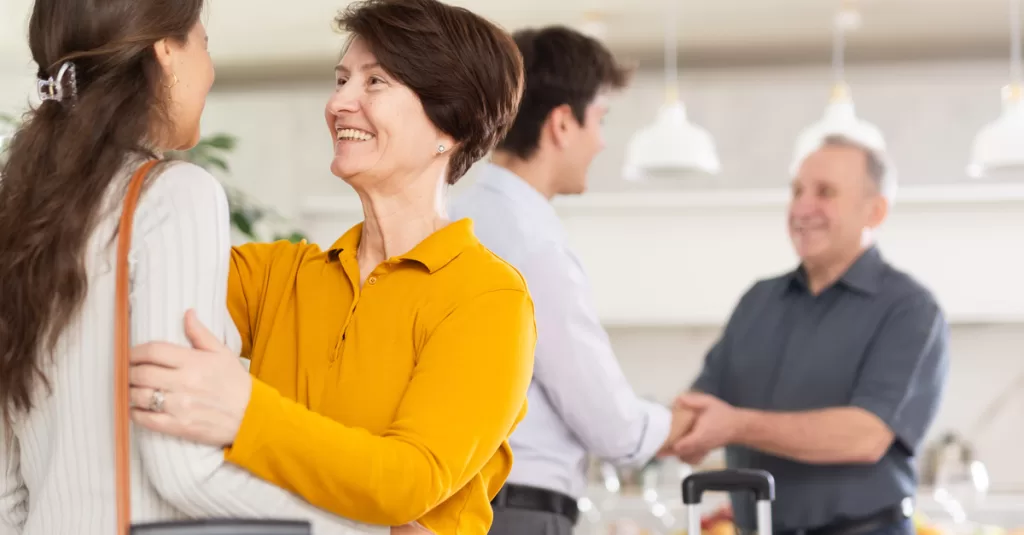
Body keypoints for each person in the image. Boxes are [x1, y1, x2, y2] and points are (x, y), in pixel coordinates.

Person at [0, 1, 429, 534]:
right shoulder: (174, 196)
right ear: (166, 53)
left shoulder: (22, 214)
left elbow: (6, 486)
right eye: (203, 43)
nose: (211, 67)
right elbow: (182, 471)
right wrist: (366, 527)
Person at [124, 1, 534, 534]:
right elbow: (127, 271)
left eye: (375, 82)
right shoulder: (279, 275)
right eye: (341, 79)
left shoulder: (488, 298)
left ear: (450, 122)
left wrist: (246, 413)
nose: (339, 102)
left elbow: (408, 481)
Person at [447, 26, 696, 535]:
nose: (602, 141)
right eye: (600, 120)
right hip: (517, 511)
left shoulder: (455, 217)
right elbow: (609, 424)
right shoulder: (534, 242)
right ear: (562, 123)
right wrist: (679, 425)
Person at [669, 135, 950, 535]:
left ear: (875, 211)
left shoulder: (910, 310)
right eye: (797, 190)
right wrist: (646, 430)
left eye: (825, 193)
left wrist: (734, 425)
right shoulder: (758, 301)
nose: (802, 207)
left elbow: (865, 436)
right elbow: (700, 404)